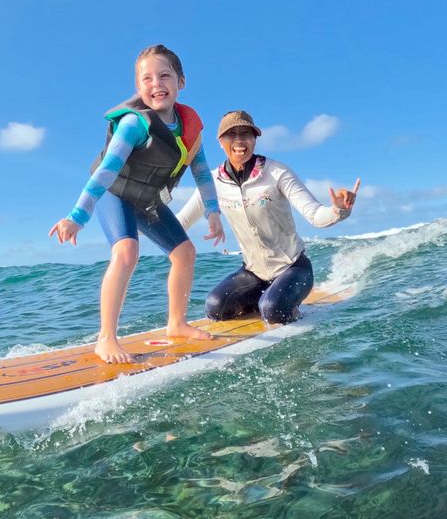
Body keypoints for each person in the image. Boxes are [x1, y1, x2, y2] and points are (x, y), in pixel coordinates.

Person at [50, 44, 225, 363]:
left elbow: (201, 171)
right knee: (127, 251)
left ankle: (176, 323)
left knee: (185, 253)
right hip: (115, 193)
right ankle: (106, 339)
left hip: (146, 199)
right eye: (147, 78)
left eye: (165, 76)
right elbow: (105, 173)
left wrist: (213, 212)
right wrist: (77, 216)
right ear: (137, 86)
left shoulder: (191, 129)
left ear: (180, 82)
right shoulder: (134, 124)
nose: (156, 84)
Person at [177, 110, 360, 325]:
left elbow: (316, 215)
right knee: (216, 308)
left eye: (246, 133)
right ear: (220, 141)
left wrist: (338, 209)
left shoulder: (277, 173)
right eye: (231, 134)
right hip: (253, 273)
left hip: (293, 268)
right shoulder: (213, 183)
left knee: (272, 310)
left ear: (255, 139)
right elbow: (181, 221)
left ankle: (280, 305)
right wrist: (140, 220)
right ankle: (268, 299)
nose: (239, 140)